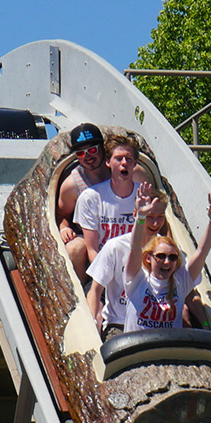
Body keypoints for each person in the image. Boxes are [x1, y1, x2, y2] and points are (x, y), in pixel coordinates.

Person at [118, 185, 211, 335]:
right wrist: (140, 217)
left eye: (172, 257)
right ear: (148, 258)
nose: (166, 262)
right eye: (160, 256)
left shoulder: (180, 282)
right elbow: (135, 248)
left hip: (169, 352)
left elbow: (201, 252)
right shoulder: (137, 280)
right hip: (139, 351)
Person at [87, 187, 170, 337]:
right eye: (150, 217)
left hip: (155, 325)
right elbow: (95, 289)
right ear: (136, 214)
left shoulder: (168, 251)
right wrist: (91, 323)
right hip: (120, 324)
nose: (156, 223)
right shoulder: (115, 246)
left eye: (160, 217)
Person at [72, 133, 143, 275]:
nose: (124, 163)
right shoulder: (90, 197)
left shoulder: (144, 196)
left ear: (135, 163)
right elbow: (92, 250)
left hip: (137, 270)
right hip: (104, 270)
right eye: (118, 158)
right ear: (108, 162)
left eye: (128, 159)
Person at [56, 123, 109, 280]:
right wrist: (64, 228)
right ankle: (80, 295)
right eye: (81, 153)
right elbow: (61, 214)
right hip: (90, 238)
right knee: (74, 248)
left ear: (102, 148)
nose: (88, 156)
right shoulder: (72, 185)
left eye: (92, 150)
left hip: (120, 231)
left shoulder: (119, 171)